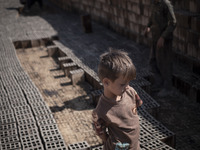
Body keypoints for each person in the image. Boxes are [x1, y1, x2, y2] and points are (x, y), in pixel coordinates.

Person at [92, 50, 143, 150]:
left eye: (129, 82)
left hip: (135, 145)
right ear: (106, 82)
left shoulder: (131, 92)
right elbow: (101, 133)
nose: (128, 87)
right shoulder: (101, 110)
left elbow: (139, 103)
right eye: (123, 84)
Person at [144, 0, 177, 97]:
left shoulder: (165, 4)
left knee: (165, 63)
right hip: (155, 37)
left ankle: (168, 88)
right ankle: (159, 84)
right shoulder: (154, 3)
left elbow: (173, 22)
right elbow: (152, 18)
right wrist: (148, 27)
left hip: (164, 40)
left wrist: (163, 37)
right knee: (153, 61)